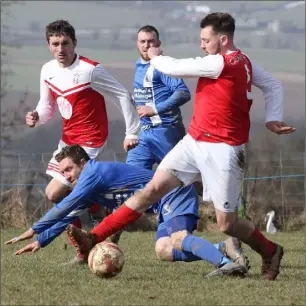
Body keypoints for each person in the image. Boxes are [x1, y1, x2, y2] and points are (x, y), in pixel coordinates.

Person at [66, 13, 295, 281]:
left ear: (222, 40)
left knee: (226, 223)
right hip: (194, 142)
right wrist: (272, 118)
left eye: (205, 40)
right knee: (151, 189)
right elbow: (272, 85)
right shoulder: (243, 61)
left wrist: (155, 55)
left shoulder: (220, 62)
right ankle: (93, 236)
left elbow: (174, 68)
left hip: (223, 150)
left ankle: (270, 251)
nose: (202, 45)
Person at [5, 145, 249, 278]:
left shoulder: (93, 174)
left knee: (178, 239)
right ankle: (224, 248)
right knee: (164, 251)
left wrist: (32, 229)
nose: (66, 177)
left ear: (83, 163)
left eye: (69, 169)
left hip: (175, 193)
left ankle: (227, 264)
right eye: (63, 173)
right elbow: (67, 216)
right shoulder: (87, 186)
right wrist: (41, 241)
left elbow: (63, 206)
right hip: (163, 204)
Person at [24, 20, 140, 255]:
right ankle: (98, 219)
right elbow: (47, 106)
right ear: (48, 45)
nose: (60, 49)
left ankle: (88, 236)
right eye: (55, 44)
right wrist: (37, 115)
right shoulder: (47, 70)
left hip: (91, 142)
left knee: (54, 192)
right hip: (67, 141)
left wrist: (132, 132)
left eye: (65, 43)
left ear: (74, 43)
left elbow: (121, 94)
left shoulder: (90, 70)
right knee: (65, 196)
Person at [126, 25, 190, 170]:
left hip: (166, 131)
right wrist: (131, 133)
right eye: (142, 42)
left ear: (158, 44)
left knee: (180, 181)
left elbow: (183, 92)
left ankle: (210, 192)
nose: (146, 46)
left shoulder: (163, 65)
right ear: (137, 44)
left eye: (150, 41)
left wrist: (155, 109)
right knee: (132, 177)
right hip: (144, 133)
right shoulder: (139, 65)